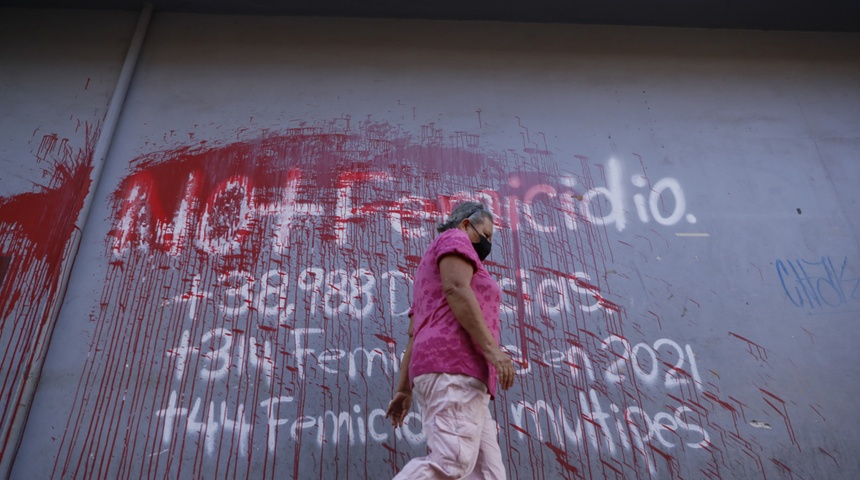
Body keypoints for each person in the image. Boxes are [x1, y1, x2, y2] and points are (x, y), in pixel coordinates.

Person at [386, 201, 516, 479]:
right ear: (467, 224)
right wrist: (493, 351)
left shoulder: (426, 274)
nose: (488, 243)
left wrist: (404, 390)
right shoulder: (455, 238)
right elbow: (456, 288)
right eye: (486, 234)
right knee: (451, 462)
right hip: (453, 368)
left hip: (463, 377)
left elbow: (415, 333)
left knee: (488, 474)